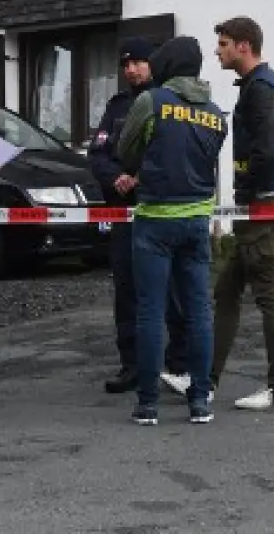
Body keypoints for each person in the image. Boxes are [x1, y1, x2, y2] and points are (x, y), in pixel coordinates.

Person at [116, 36, 227, 426]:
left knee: (150, 310)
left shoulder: (152, 102)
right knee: (199, 311)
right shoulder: (216, 113)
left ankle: (147, 405)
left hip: (155, 220)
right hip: (197, 220)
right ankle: (200, 401)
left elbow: (125, 152)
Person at [88, 37, 189, 396]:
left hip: (158, 208)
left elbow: (172, 149)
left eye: (139, 63)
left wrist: (142, 177)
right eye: (126, 64)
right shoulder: (117, 106)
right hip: (123, 211)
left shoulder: (167, 101)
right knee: (127, 290)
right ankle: (131, 364)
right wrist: (116, 177)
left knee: (172, 289)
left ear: (153, 64)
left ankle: (178, 363)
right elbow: (98, 152)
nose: (131, 70)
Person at [210, 16, 274, 411]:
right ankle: (204, 378)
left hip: (264, 204)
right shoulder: (266, 85)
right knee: (227, 291)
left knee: (269, 295)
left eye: (225, 43)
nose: (219, 50)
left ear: (244, 46)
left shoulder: (260, 89)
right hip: (266, 201)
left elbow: (263, 149)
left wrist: (244, 192)